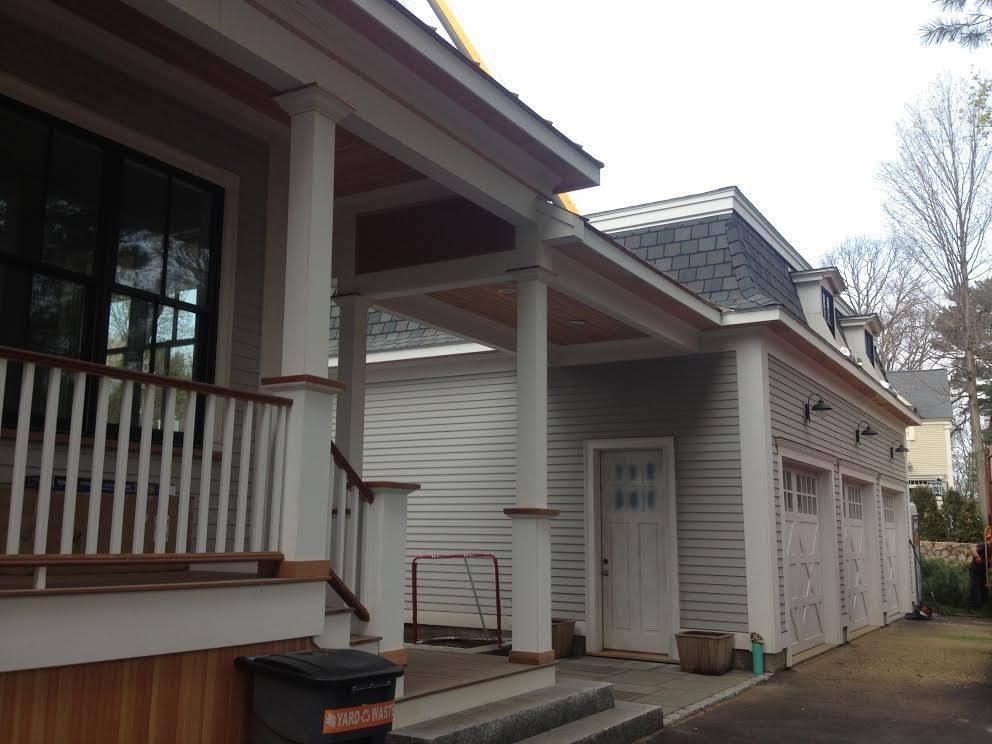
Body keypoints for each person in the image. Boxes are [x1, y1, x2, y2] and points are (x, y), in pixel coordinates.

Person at [969, 538, 990, 609]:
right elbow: (973, 549)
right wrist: (977, 556)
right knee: (975, 586)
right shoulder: (985, 544)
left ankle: (983, 605)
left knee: (984, 586)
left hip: (984, 569)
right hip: (976, 568)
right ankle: (973, 606)